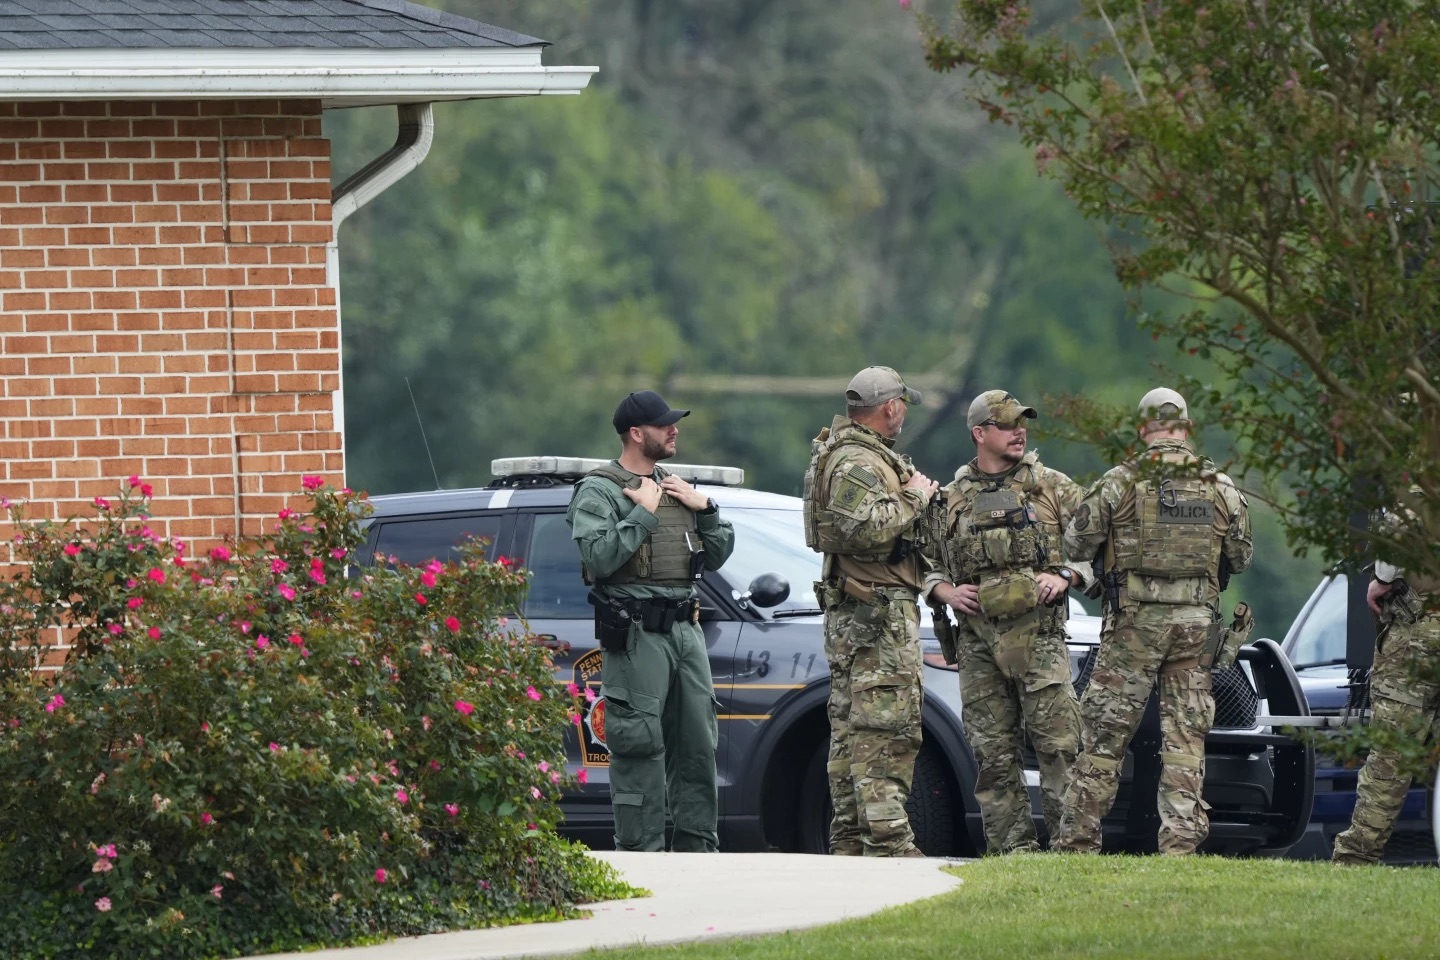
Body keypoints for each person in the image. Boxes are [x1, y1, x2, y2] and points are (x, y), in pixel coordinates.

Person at [1053, 387, 1252, 855]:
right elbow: (1240, 557)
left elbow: (1076, 541)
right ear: (1186, 427)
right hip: (1195, 628)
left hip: (1134, 627)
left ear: (1143, 428)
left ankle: (1077, 842)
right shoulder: (1220, 485)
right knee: (1185, 737)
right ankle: (1180, 845)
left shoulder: (1121, 481)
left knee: (1104, 737)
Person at [566, 390, 736, 852]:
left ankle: (699, 850)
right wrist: (642, 510)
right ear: (637, 434)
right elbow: (599, 557)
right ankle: (642, 855)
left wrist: (708, 511)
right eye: (664, 425)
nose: (674, 429)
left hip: (687, 630)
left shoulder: (676, 484)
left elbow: (717, 555)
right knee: (639, 745)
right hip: (639, 635)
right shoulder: (599, 490)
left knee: (698, 745)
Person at [923, 390, 1085, 854]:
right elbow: (927, 561)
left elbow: (1098, 545)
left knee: (1059, 748)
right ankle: (1012, 852)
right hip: (977, 645)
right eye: (1009, 424)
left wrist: (1067, 573)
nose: (1020, 432)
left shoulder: (1054, 487)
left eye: (1023, 423)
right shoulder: (951, 499)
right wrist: (944, 590)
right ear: (979, 434)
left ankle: (1072, 850)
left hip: (1041, 641)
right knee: (992, 754)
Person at [802, 366, 940, 856]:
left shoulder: (843, 455)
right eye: (903, 404)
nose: (904, 413)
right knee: (887, 729)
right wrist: (916, 496)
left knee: (852, 728)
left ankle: (851, 841)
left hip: (860, 611)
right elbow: (866, 529)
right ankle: (888, 843)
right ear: (891, 407)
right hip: (876, 616)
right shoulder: (857, 462)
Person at [1331, 501, 1440, 866]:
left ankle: (1356, 856)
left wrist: (1381, 580)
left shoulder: (1419, 490)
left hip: (1418, 638)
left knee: (1390, 755)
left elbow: (1392, 550)